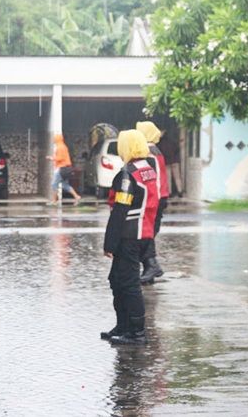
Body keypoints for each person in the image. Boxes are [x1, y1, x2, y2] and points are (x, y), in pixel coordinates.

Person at [102, 129, 159, 345]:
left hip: (129, 234)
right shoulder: (147, 169)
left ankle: (136, 332)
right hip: (144, 233)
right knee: (117, 279)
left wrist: (110, 243)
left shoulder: (128, 174)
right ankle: (123, 326)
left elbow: (120, 210)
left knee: (128, 282)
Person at [136, 121, 169, 284]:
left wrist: (150, 200)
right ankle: (150, 267)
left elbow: (151, 178)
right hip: (159, 196)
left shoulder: (148, 151)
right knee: (146, 232)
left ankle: (152, 266)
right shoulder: (154, 149)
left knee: (146, 233)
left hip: (154, 198)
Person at [47, 134, 82, 206]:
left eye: (55, 138)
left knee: (54, 184)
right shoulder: (63, 146)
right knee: (65, 185)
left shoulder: (60, 147)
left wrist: (52, 158)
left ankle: (54, 201)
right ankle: (77, 196)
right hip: (66, 168)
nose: (53, 140)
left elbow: (60, 158)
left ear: (57, 139)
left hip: (61, 168)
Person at [157, 131, 183, 198]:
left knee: (168, 177)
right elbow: (177, 149)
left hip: (167, 161)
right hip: (174, 161)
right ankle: (180, 191)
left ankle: (170, 192)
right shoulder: (173, 140)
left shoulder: (161, 142)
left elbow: (160, 152)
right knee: (177, 177)